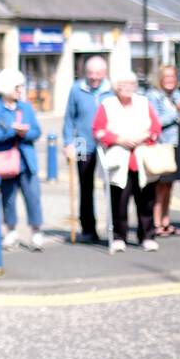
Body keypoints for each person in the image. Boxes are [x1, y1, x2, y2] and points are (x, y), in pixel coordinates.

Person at [92, 71, 161, 252]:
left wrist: (143, 136)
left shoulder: (143, 102)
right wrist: (119, 139)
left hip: (143, 160)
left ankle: (147, 236)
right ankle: (118, 236)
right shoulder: (107, 104)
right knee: (118, 202)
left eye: (131, 84)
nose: (127, 87)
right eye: (123, 84)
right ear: (116, 87)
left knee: (146, 201)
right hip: (118, 160)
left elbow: (155, 127)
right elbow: (98, 130)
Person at [0, 68, 46, 251]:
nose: (21, 90)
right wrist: (12, 130)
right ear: (7, 88)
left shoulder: (25, 107)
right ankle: (10, 231)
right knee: (8, 198)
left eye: (21, 86)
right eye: (17, 87)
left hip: (27, 160)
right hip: (5, 161)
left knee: (33, 197)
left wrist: (25, 132)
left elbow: (36, 131)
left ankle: (36, 231)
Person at [62, 56, 111, 245]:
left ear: (105, 73)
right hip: (82, 142)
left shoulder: (111, 90)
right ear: (85, 73)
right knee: (85, 186)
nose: (94, 78)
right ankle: (88, 229)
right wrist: (68, 142)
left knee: (111, 185)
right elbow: (69, 118)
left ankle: (113, 228)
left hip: (107, 143)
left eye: (98, 73)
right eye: (91, 73)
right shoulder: (77, 89)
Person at [147, 65, 180, 237]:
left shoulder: (177, 94)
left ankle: (166, 221)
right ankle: (155, 223)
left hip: (177, 141)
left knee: (170, 185)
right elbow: (155, 121)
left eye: (173, 76)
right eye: (166, 76)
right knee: (160, 186)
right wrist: (176, 112)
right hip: (162, 144)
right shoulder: (153, 95)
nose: (170, 80)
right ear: (160, 78)